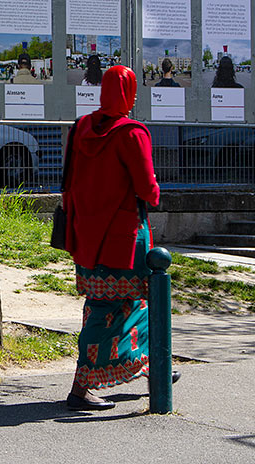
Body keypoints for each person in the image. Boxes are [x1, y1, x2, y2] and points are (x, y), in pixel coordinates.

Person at [62, 65, 165, 411]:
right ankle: (81, 388)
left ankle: (150, 367)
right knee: (119, 306)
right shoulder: (132, 133)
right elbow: (147, 189)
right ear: (131, 92)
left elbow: (69, 180)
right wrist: (154, 194)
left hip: (87, 236)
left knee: (110, 305)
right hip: (124, 237)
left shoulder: (81, 127)